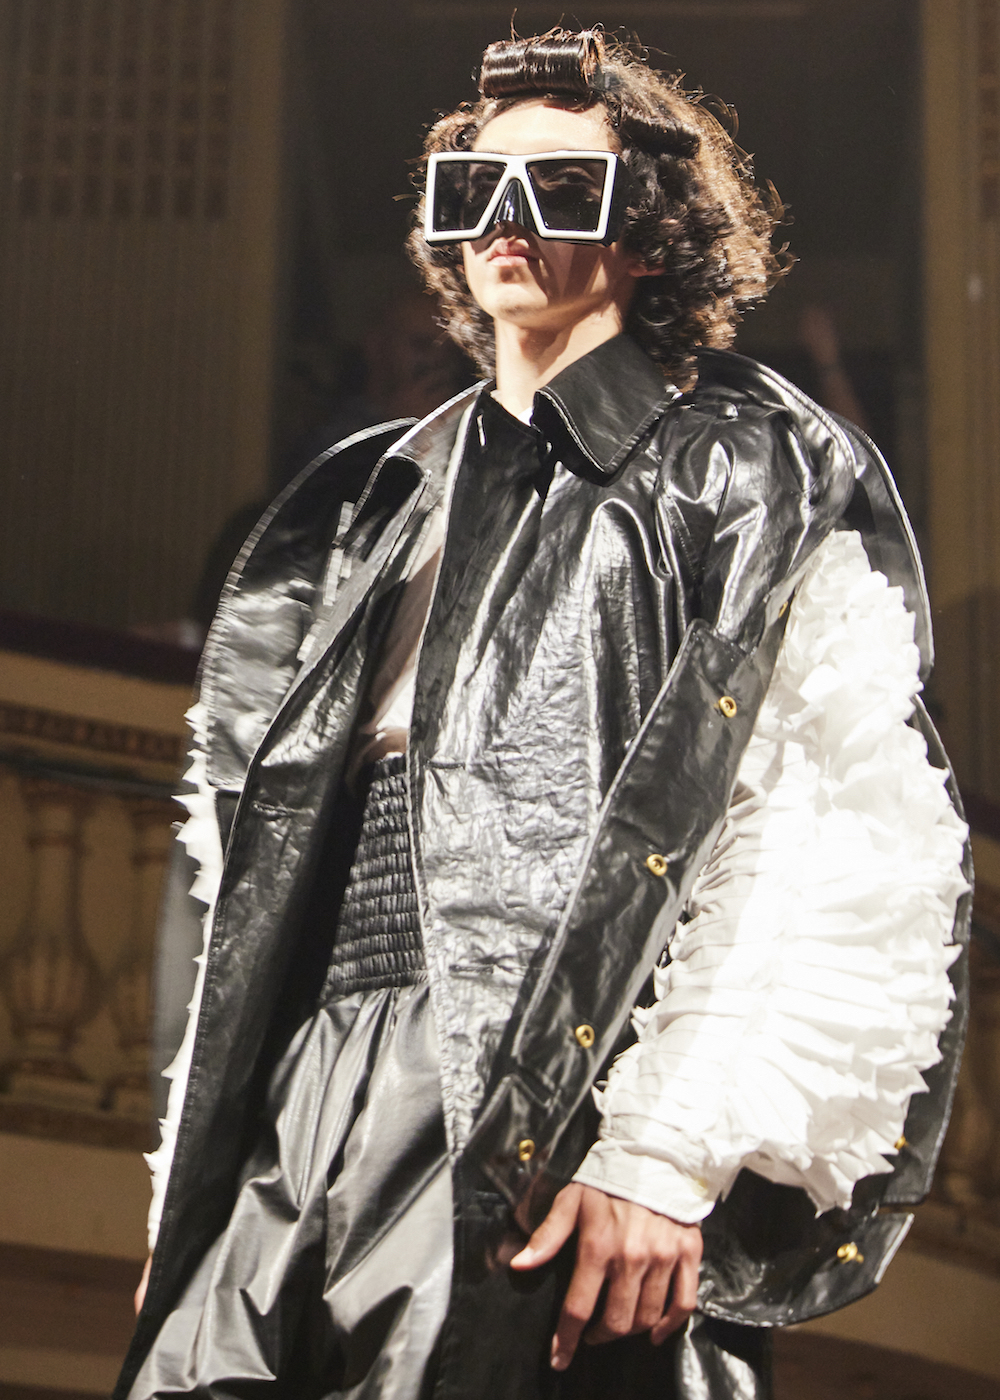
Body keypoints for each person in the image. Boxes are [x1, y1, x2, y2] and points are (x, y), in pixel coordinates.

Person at [117, 29, 970, 1400]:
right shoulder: (366, 502)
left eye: (563, 189)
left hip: (541, 1082)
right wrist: (197, 1186)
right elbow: (243, 886)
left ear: (645, 231)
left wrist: (667, 1149)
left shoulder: (744, 463)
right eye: (477, 190)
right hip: (303, 1087)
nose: (509, 220)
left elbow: (826, 819)